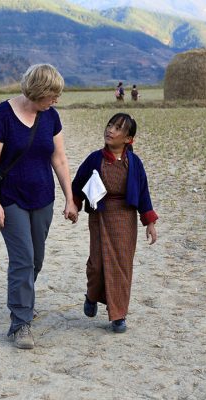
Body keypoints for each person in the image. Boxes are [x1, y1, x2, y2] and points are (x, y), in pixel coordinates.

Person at [0, 63, 78, 349]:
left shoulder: (51, 116)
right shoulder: (3, 114)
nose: (56, 101)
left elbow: (59, 159)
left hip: (43, 198)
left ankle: (23, 301)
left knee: (36, 259)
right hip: (10, 198)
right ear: (38, 91)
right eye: (52, 95)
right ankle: (20, 323)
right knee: (22, 258)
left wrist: (70, 198)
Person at [72, 113, 158, 333]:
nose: (111, 130)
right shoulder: (94, 159)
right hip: (100, 216)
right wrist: (73, 205)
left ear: (129, 139)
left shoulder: (135, 163)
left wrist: (149, 222)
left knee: (121, 265)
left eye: (118, 128)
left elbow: (143, 192)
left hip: (125, 217)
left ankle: (118, 315)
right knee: (97, 264)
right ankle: (92, 296)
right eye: (110, 125)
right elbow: (77, 185)